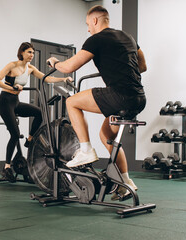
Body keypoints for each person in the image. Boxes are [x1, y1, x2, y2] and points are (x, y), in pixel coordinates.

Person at [47, 5, 147, 199]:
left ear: (95, 21)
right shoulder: (128, 37)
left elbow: (69, 67)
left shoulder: (96, 39)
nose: (87, 29)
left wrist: (55, 62)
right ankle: (126, 183)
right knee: (107, 136)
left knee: (72, 102)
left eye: (87, 24)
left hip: (119, 95)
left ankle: (85, 150)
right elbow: (142, 65)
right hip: (138, 98)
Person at [0, 42, 72, 182]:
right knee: (15, 134)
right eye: (29, 52)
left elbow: (47, 78)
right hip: (5, 103)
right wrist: (12, 87)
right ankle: (6, 168)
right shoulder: (12, 65)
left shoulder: (30, 68)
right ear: (22, 53)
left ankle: (29, 140)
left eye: (33, 53)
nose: (31, 55)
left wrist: (63, 79)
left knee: (40, 112)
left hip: (15, 102)